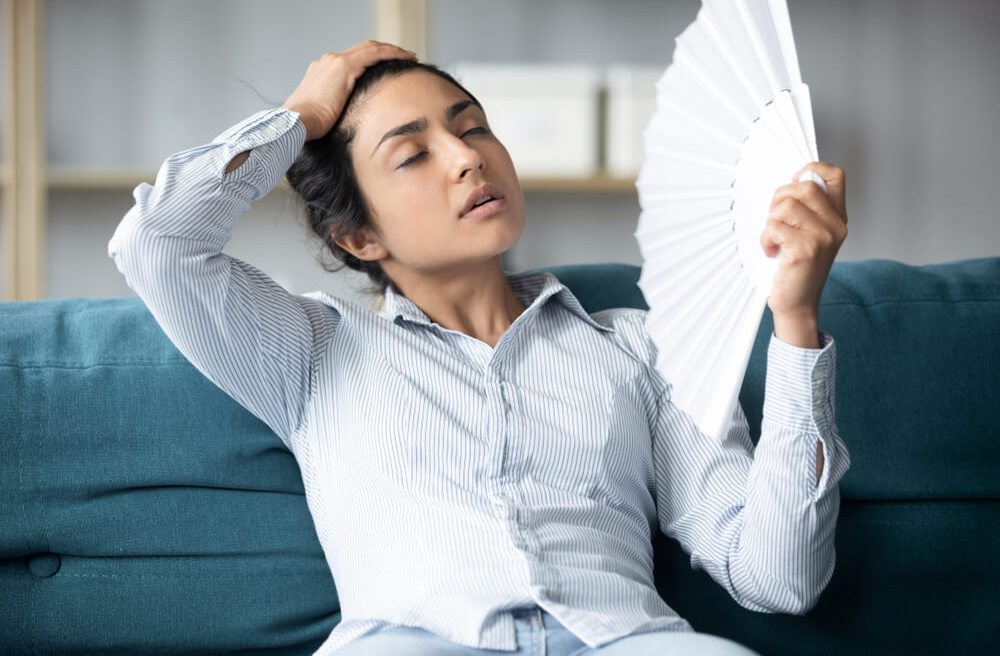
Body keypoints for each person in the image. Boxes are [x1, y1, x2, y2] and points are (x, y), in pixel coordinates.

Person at [108, 40, 850, 655]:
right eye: (412, 154)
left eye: (472, 127)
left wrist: (794, 321)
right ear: (360, 237)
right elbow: (158, 242)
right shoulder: (312, 350)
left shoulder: (640, 348)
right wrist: (302, 116)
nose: (466, 158)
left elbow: (779, 576)